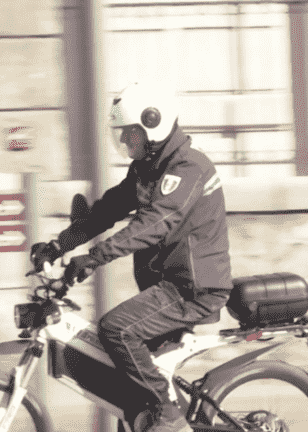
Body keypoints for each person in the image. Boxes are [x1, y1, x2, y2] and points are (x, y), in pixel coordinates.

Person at [30, 81, 233, 432]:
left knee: (117, 330)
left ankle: (169, 416)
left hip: (193, 290)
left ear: (153, 125)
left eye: (130, 134)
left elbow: (151, 225)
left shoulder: (187, 170)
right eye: (121, 134)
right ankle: (154, 412)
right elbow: (106, 211)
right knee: (125, 387)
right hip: (167, 285)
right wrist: (59, 245)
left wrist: (92, 258)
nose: (124, 142)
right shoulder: (148, 168)